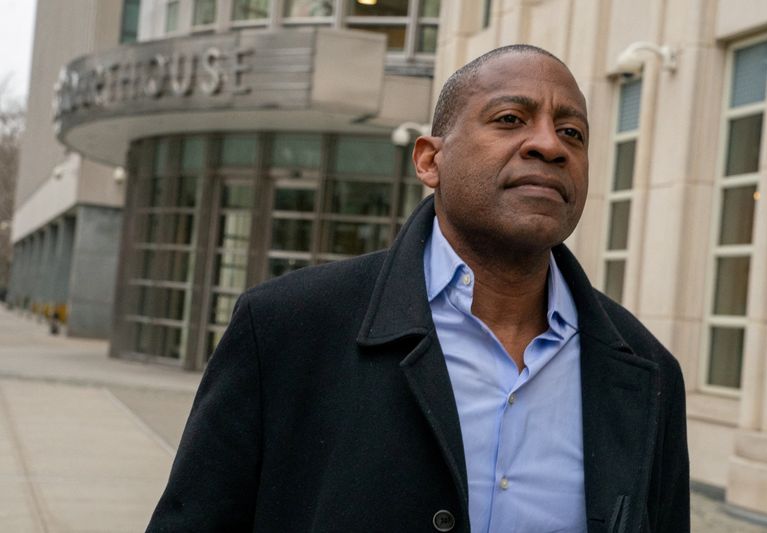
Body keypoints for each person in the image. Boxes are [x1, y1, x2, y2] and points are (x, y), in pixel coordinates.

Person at [146, 45, 689, 533]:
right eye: (510, 119)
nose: (549, 144)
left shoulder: (646, 371)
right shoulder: (286, 328)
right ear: (431, 160)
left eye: (572, 133)